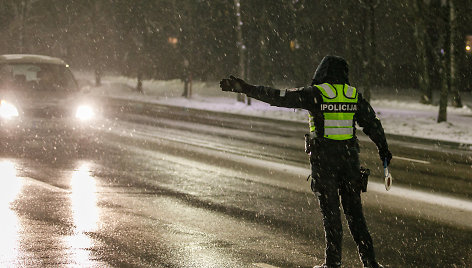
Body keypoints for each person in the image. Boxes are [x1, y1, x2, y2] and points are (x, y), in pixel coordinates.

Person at [219, 55, 392, 268]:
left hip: (324, 163)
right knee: (355, 215)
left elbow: (279, 97)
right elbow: (372, 124)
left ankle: (333, 264)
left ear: (322, 72)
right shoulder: (352, 95)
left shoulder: (316, 94)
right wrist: (383, 150)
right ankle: (370, 263)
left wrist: (247, 88)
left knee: (331, 216)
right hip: (349, 163)